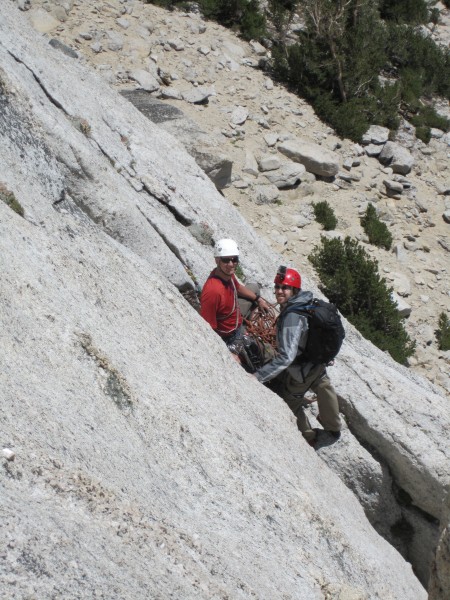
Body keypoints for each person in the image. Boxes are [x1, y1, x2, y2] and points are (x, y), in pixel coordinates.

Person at [254, 266, 342, 446]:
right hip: (317, 361)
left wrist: (258, 377)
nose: (279, 291)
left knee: (290, 403)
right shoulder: (307, 302)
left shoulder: (293, 315)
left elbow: (287, 357)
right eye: (277, 287)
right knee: (324, 385)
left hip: (301, 369)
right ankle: (333, 429)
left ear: (293, 290)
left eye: (284, 288)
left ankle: (310, 438)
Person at [200, 239, 270, 351]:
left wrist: (258, 299)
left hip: (235, 317)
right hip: (230, 336)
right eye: (226, 260)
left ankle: (247, 321)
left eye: (234, 260)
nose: (231, 264)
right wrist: (228, 352)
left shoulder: (226, 275)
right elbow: (208, 329)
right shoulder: (213, 291)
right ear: (217, 260)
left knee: (254, 288)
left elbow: (238, 288)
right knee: (263, 352)